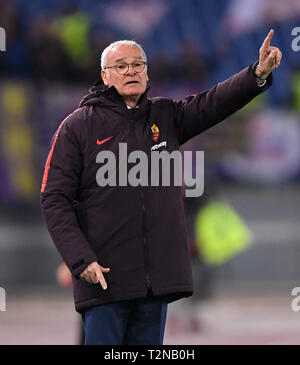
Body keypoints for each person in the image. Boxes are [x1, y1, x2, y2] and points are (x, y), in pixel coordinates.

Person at [40, 30, 282, 345]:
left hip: (154, 283)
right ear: (105, 75)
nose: (131, 71)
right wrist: (79, 259)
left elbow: (214, 102)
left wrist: (257, 74)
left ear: (147, 71)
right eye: (121, 66)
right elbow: (54, 198)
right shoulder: (78, 126)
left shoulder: (165, 115)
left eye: (138, 64)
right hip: (104, 281)